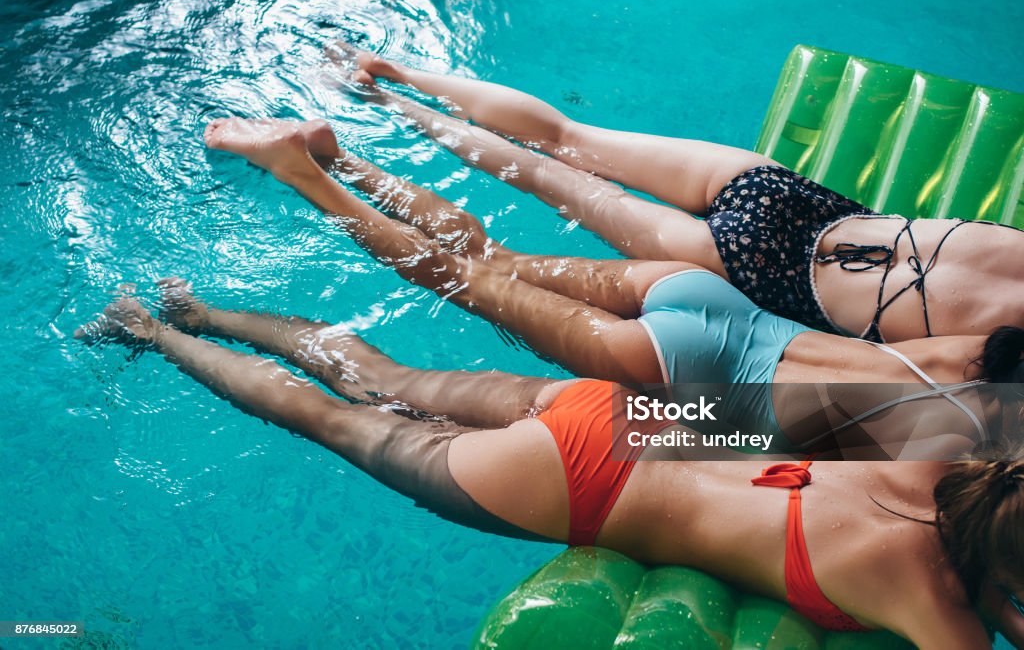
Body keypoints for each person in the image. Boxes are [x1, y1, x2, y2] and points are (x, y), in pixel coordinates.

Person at [77, 286, 1024, 648]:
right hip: (590, 487)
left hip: (640, 421)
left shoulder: (943, 464)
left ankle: (187, 312)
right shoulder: (937, 607)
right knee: (335, 424)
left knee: (382, 375)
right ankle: (152, 338)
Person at [201, 117, 1020, 455]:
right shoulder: (977, 447)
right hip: (689, 368)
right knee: (461, 279)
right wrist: (688, 434)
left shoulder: (991, 347)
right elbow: (795, 445)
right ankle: (306, 175)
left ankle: (339, 156)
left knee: (492, 256)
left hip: (706, 298)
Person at [322, 41, 1024, 344]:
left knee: (566, 135)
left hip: (796, 201)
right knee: (541, 175)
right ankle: (402, 113)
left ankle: (393, 78)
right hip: (764, 269)